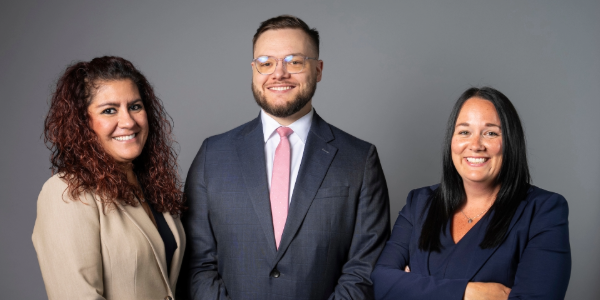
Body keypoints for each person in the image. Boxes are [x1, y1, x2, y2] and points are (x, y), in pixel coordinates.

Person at [178, 15, 390, 299]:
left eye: (295, 61)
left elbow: (364, 269)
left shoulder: (359, 160)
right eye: (266, 63)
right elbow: (197, 264)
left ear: (318, 70)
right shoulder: (212, 156)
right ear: (254, 70)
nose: (279, 74)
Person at [371, 87, 571, 299]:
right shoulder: (419, 203)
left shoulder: (543, 211)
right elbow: (381, 281)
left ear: (511, 142)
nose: (475, 145)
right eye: (464, 132)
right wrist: (468, 292)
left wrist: (412, 287)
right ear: (452, 140)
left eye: (490, 133)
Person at [32, 56, 186, 300]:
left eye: (135, 106)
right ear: (83, 122)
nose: (128, 121)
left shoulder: (151, 186)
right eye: (109, 110)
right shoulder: (66, 193)